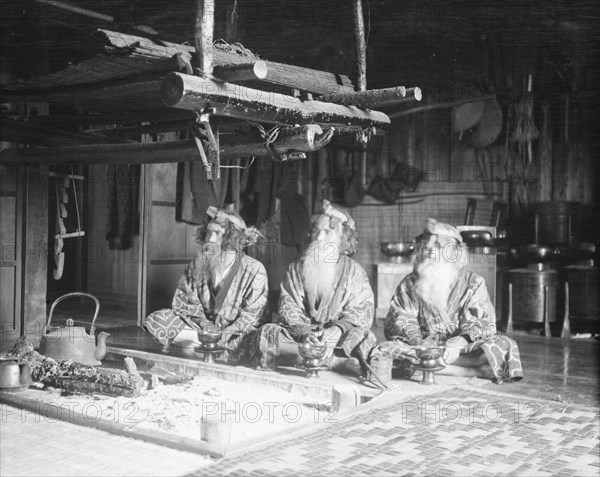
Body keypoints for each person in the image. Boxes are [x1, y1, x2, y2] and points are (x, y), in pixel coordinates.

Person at [371, 218, 523, 383]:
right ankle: (468, 370)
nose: (430, 252)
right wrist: (420, 343)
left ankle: (436, 368)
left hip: (462, 349)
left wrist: (460, 341)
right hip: (421, 347)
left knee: (503, 345)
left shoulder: (473, 282)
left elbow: (484, 322)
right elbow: (400, 318)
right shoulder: (410, 283)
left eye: (438, 247)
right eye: (426, 247)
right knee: (384, 350)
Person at [250, 200, 376, 372]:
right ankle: (334, 363)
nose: (319, 238)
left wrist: (337, 331)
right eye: (316, 231)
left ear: (343, 240)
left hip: (336, 339)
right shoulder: (297, 267)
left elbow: (362, 311)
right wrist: (305, 334)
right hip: (303, 338)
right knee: (266, 333)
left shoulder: (355, 272)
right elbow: (289, 305)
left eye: (327, 232)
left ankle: (311, 358)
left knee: (366, 337)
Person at [143, 206, 269, 362]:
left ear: (232, 238)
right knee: (158, 318)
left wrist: (223, 335)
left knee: (260, 338)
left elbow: (252, 315)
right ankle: (210, 350)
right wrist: (204, 324)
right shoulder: (199, 263)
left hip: (234, 333)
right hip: (202, 330)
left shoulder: (255, 269)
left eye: (217, 233)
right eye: (209, 232)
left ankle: (204, 350)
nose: (210, 239)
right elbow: (184, 301)